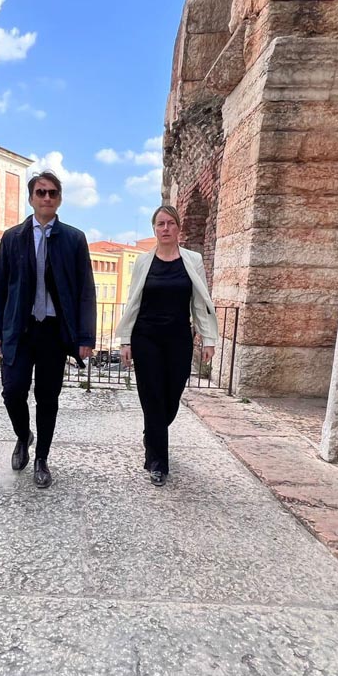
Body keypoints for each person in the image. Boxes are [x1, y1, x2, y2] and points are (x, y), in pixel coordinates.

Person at [0, 170, 96, 488]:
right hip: (19, 330)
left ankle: (41, 459)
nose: (46, 197)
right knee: (12, 392)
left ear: (59, 199)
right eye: (40, 192)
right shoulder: (13, 237)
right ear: (31, 198)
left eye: (52, 193)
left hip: (53, 332)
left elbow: (85, 290)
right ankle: (24, 436)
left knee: (48, 397)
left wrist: (85, 337)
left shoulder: (74, 239)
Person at [115, 204, 218, 486]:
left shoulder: (193, 260)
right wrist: (126, 340)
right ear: (154, 229)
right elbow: (133, 302)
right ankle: (158, 462)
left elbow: (200, 302)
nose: (165, 228)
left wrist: (208, 339)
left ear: (178, 228)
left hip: (179, 338)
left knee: (171, 399)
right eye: (160, 224)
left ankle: (152, 433)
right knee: (152, 398)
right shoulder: (143, 262)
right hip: (146, 337)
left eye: (170, 223)